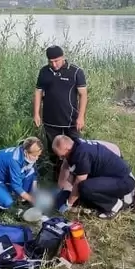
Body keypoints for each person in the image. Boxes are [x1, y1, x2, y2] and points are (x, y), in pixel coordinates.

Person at [33, 45, 88, 179]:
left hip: (71, 119)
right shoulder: (44, 71)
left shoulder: (75, 72)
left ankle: (77, 175)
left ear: (63, 57)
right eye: (51, 61)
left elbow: (83, 95)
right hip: (50, 119)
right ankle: (57, 176)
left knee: (75, 148)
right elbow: (38, 92)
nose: (54, 64)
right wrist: (36, 113)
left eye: (57, 60)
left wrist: (81, 117)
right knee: (54, 150)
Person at [52, 135, 135, 219]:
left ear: (67, 148)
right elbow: (67, 169)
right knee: (83, 190)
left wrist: (68, 204)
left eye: (62, 156)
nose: (61, 158)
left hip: (124, 180)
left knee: (85, 188)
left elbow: (79, 182)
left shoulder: (81, 154)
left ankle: (114, 204)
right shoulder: (76, 144)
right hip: (113, 176)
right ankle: (117, 196)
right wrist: (62, 190)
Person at [0, 137, 43, 213]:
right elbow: (16, 186)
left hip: (2, 179)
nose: (37, 158)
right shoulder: (14, 161)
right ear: (25, 152)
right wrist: (32, 199)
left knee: (29, 174)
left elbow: (33, 173)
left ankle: (19, 198)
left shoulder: (24, 154)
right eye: (34, 156)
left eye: (38, 155)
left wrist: (34, 191)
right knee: (7, 201)